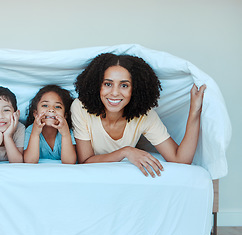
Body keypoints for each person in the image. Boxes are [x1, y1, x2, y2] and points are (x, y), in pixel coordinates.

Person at [71, 53, 206, 177]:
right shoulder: (80, 108)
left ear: (135, 89)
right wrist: (126, 152)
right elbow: (85, 162)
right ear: (97, 86)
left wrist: (195, 110)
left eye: (124, 85)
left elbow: (180, 160)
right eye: (108, 84)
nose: (115, 93)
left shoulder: (145, 115)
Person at [24, 85, 76, 164]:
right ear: (35, 113)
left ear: (65, 115)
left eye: (58, 106)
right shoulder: (30, 130)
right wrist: (35, 134)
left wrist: (65, 134)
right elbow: (30, 161)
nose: (51, 109)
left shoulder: (68, 132)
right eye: (45, 105)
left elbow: (69, 162)